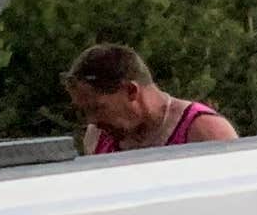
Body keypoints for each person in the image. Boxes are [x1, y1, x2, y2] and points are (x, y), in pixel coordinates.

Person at [67, 44, 238, 155]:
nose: (92, 121)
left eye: (97, 108)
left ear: (131, 91)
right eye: (84, 111)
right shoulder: (96, 138)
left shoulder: (203, 131)